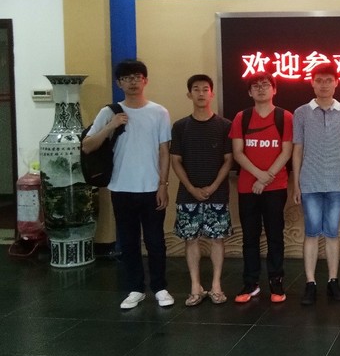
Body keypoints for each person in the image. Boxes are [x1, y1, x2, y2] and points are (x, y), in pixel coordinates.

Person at [82, 59, 173, 310]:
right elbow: (87, 146)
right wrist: (111, 126)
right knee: (128, 241)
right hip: (121, 187)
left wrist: (163, 184)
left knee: (155, 241)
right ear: (119, 83)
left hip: (151, 187)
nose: (133, 82)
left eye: (137, 77)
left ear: (145, 80)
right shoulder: (109, 112)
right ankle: (135, 288)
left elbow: (164, 150)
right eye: (127, 78)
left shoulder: (159, 112)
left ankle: (160, 287)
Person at [292, 63, 340, 305]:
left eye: (329, 80)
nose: (324, 84)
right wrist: (296, 183)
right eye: (319, 80)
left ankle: (333, 281)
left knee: (331, 232)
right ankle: (310, 283)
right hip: (309, 181)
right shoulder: (301, 112)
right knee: (311, 232)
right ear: (312, 82)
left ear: (336, 82)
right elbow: (297, 149)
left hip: (337, 181)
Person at [229, 72, 293, 304]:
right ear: (249, 92)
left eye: (265, 85)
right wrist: (258, 176)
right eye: (255, 86)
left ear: (274, 89)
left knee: (275, 236)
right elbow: (238, 152)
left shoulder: (284, 117)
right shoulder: (242, 117)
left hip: (276, 186)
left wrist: (266, 178)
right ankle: (251, 283)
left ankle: (276, 282)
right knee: (250, 237)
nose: (261, 89)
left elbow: (286, 151)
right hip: (248, 187)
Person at [170, 74, 233, 306]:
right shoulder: (180, 126)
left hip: (218, 193)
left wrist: (213, 186)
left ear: (212, 94)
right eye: (196, 89)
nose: (201, 93)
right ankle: (195, 287)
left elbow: (228, 160)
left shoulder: (225, 125)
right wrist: (191, 188)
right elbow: (175, 160)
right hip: (188, 194)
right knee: (191, 240)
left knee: (217, 239)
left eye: (205, 89)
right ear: (189, 94)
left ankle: (216, 286)